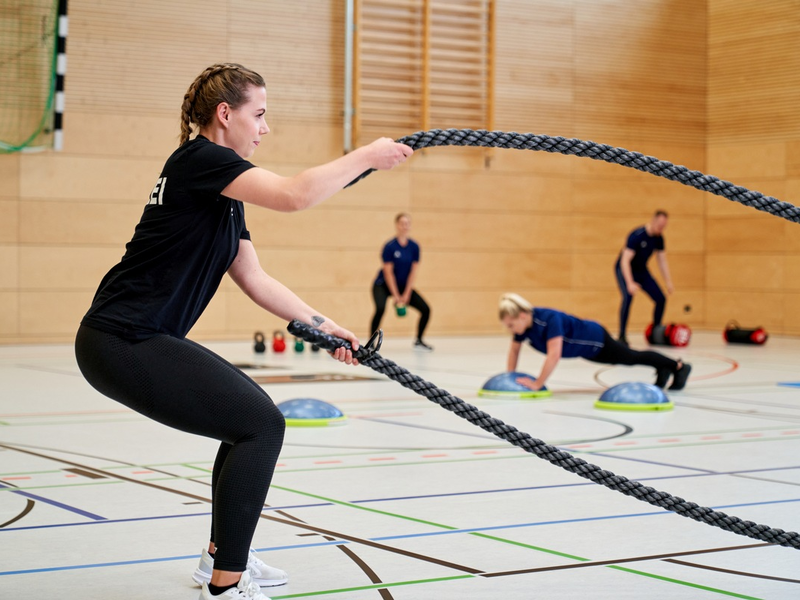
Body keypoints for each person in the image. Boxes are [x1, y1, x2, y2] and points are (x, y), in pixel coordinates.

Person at [73, 63, 412, 600]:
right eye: (259, 114)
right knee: (262, 426)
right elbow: (297, 194)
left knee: (247, 424)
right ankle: (227, 585)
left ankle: (220, 558)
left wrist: (325, 329)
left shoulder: (221, 191)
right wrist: (369, 155)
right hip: (123, 339)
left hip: (135, 338)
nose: (265, 127)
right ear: (224, 115)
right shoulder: (202, 160)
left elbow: (255, 279)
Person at [498, 293, 691, 391]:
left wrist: (538, 383)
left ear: (522, 316)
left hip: (595, 340)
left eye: (511, 325)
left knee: (631, 357)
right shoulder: (524, 328)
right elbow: (514, 351)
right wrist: (509, 377)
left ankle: (678, 366)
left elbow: (554, 354)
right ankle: (665, 367)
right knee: (630, 358)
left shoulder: (549, 319)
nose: (510, 330)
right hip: (586, 351)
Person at [369, 212, 433, 351]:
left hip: (404, 285)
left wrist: (406, 294)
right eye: (402, 223)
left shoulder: (414, 247)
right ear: (397, 225)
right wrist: (397, 296)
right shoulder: (390, 246)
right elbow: (388, 273)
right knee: (380, 308)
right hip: (383, 285)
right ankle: (370, 343)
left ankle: (419, 340)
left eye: (407, 223)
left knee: (426, 309)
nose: (405, 226)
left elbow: (413, 272)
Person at [615, 210, 674, 346]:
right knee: (628, 297)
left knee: (661, 299)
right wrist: (629, 283)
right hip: (624, 269)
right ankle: (622, 336)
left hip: (641, 271)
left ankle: (656, 332)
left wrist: (668, 282)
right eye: (659, 225)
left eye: (664, 226)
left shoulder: (659, 238)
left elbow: (662, 261)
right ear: (653, 221)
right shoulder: (637, 236)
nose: (661, 228)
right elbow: (625, 261)